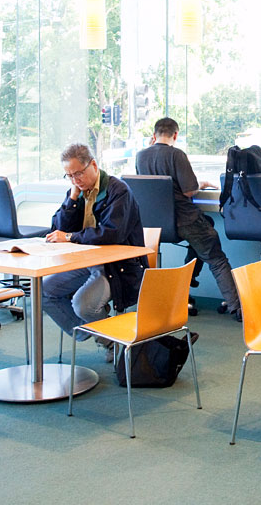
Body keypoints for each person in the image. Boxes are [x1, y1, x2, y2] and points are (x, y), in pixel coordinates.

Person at [135, 117, 241, 319]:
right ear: (175, 135)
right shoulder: (177, 155)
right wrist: (203, 183)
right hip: (184, 221)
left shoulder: (140, 156)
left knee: (207, 224)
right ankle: (237, 307)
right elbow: (190, 191)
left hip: (155, 226)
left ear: (154, 135)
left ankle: (187, 279)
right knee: (216, 259)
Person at [41, 144, 145, 347]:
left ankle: (110, 339)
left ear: (94, 165)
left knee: (83, 305)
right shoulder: (77, 191)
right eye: (69, 176)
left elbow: (111, 234)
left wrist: (70, 236)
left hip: (116, 267)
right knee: (43, 291)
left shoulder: (118, 191)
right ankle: (100, 334)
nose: (75, 180)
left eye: (78, 173)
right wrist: (72, 199)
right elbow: (57, 229)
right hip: (85, 263)